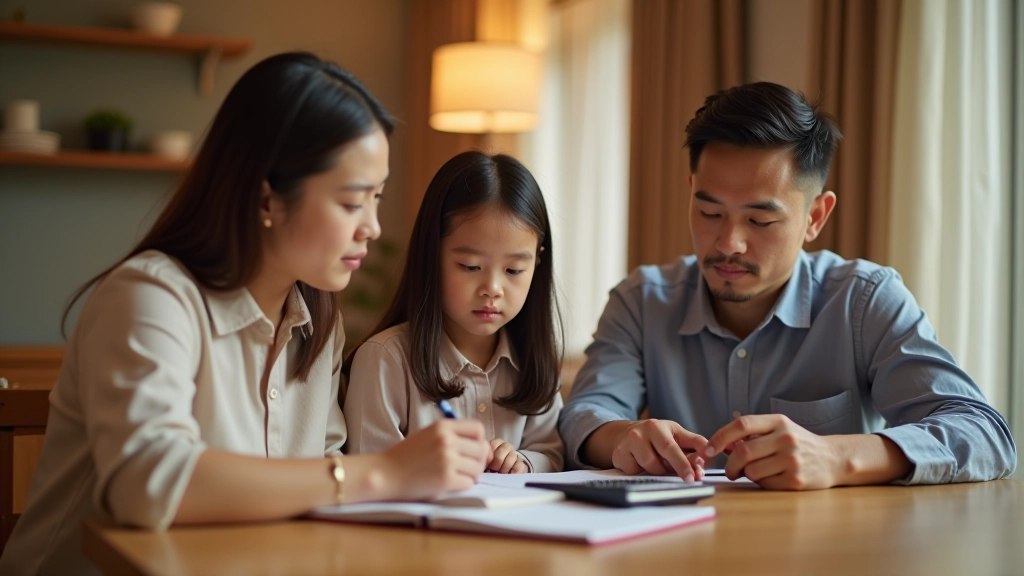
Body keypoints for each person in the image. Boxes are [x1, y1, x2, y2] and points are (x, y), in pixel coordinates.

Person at [0, 53, 492, 576]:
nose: (372, 225)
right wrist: (381, 474)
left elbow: (317, 488)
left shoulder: (317, 324)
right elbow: (148, 484)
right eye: (352, 203)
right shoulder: (150, 297)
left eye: (378, 197)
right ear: (268, 199)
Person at [559, 82, 1016, 489]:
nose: (729, 243)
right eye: (709, 213)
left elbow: (983, 434)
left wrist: (839, 457)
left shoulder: (865, 300)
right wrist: (623, 437)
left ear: (815, 216)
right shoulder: (642, 301)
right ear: (690, 190)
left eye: (760, 219)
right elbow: (583, 416)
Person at [344, 151, 564, 473]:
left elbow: (554, 454)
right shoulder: (385, 360)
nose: (492, 288)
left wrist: (523, 462)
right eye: (470, 266)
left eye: (514, 270)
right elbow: (369, 475)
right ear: (432, 253)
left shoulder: (534, 360)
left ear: (537, 262)